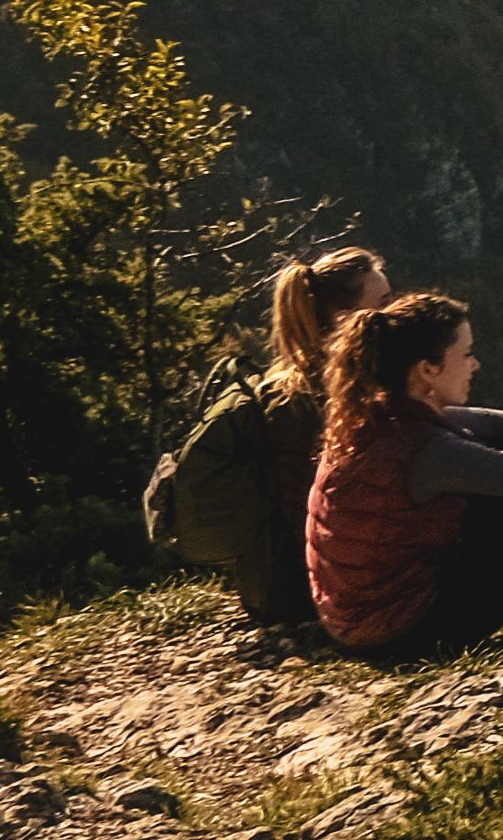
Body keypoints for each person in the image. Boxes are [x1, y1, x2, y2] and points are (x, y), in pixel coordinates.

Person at [304, 289, 503, 657]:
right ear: (428, 369)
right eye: (466, 354)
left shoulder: (375, 415)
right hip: (401, 632)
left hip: (352, 616)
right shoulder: (428, 451)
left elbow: (488, 421)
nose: (475, 365)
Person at [144, 245, 381, 626]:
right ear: (345, 320)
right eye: (383, 302)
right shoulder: (311, 403)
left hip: (278, 589)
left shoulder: (303, 386)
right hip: (305, 596)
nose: (395, 312)